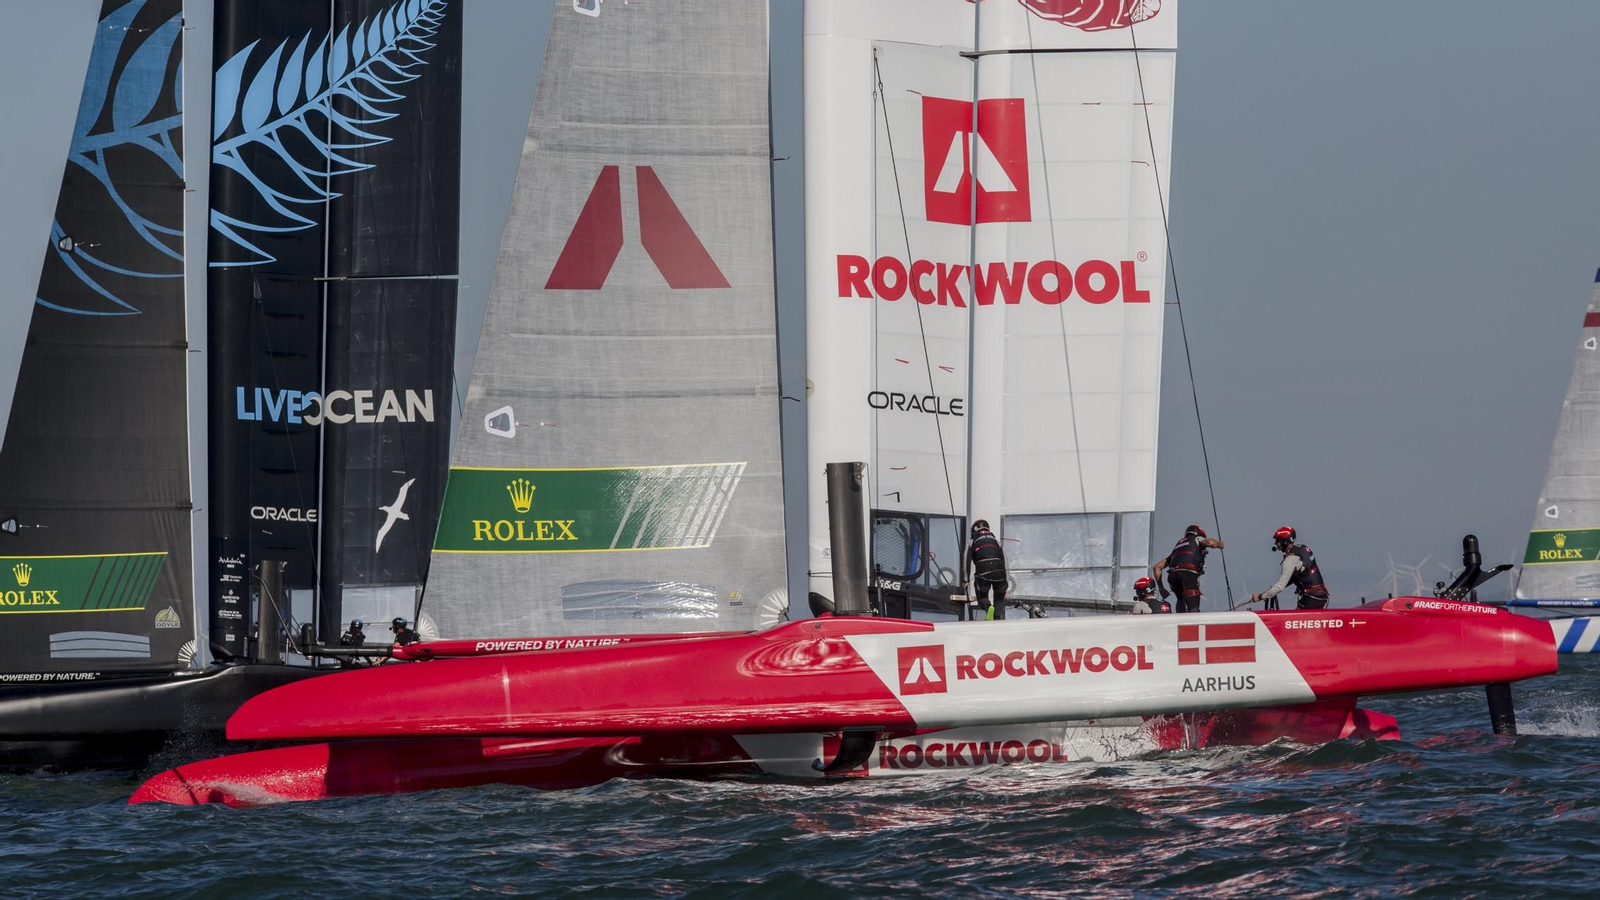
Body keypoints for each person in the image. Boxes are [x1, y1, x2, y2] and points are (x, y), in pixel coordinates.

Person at [1250, 526, 1331, 610]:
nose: (1275, 544)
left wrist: (1260, 597)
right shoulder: (1303, 549)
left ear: (1285, 542)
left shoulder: (1290, 560)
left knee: (1298, 618)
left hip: (1311, 598)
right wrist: (1271, 592)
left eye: (1277, 541)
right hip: (1321, 595)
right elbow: (1297, 576)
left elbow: (1280, 586)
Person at [1153, 524, 1225, 613]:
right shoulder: (1197, 538)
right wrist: (1221, 544)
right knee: (1193, 609)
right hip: (1188, 575)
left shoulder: (1178, 547)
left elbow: (1157, 567)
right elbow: (1210, 543)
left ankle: (1180, 619)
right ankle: (1193, 619)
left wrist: (1161, 589)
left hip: (1172, 576)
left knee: (1180, 599)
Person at [962, 519, 1008, 620]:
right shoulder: (996, 541)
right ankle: (997, 618)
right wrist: (1006, 583)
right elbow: (1005, 561)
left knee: (982, 597)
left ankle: (988, 607)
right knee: (999, 597)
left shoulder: (972, 541)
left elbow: (966, 561)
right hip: (999, 570)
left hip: (983, 570)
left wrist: (966, 580)